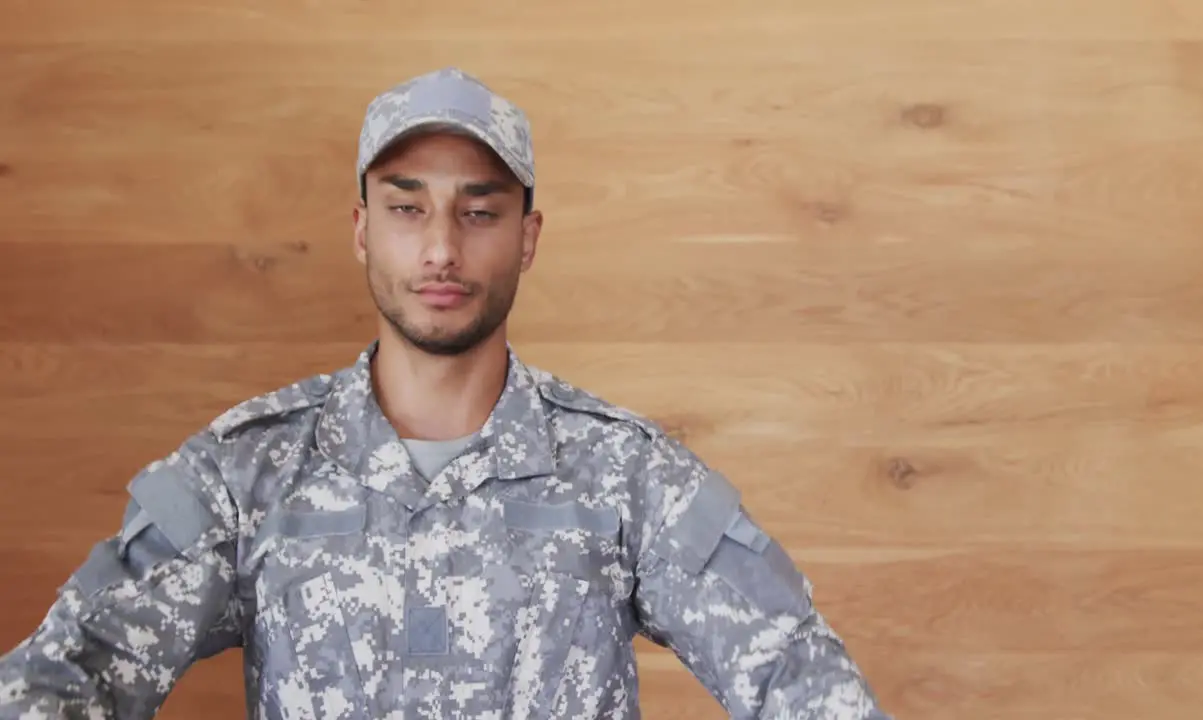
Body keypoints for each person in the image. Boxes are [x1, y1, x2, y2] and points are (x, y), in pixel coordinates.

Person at [0, 67, 894, 720]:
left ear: (528, 235)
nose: (440, 249)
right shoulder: (246, 476)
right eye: (405, 206)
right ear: (360, 231)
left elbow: (803, 684)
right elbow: (66, 673)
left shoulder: (624, 477)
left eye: (478, 210)